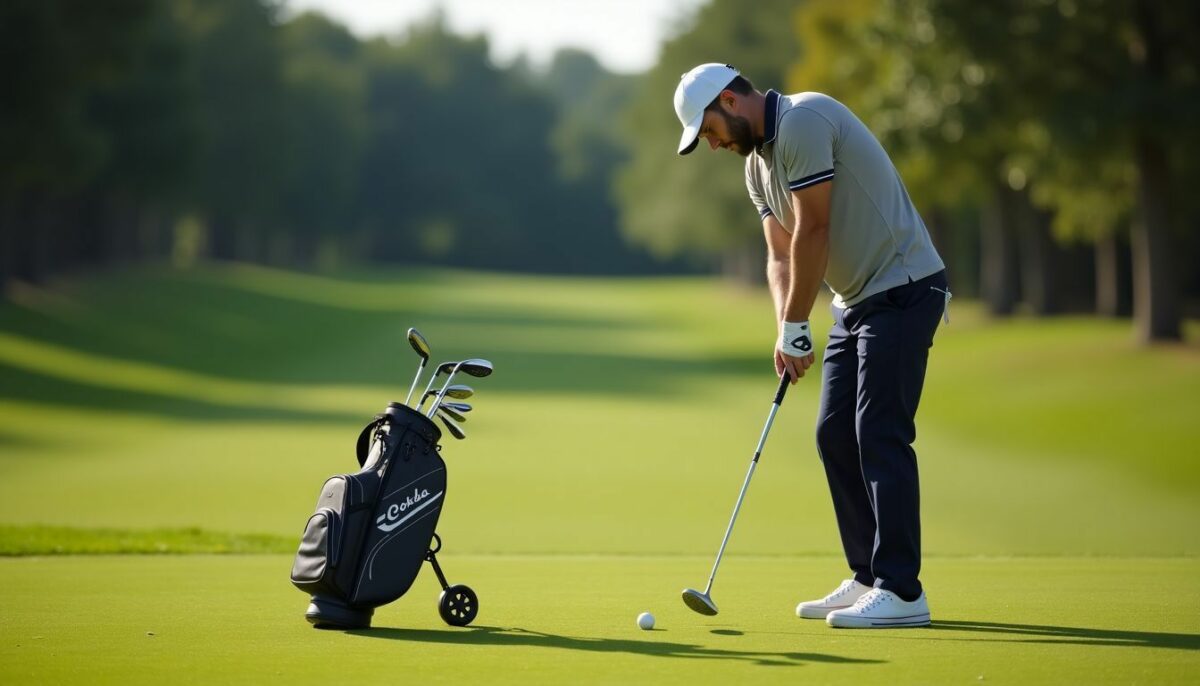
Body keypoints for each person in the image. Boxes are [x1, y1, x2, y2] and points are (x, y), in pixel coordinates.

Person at [673, 64, 950, 628]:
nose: (712, 144)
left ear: (730, 100)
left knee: (879, 432)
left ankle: (903, 589)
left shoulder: (803, 120)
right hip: (853, 302)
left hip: (904, 288)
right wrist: (787, 326)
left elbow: (814, 230)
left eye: (708, 130)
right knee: (832, 434)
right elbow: (779, 253)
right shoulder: (756, 164)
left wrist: (800, 320)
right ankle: (870, 576)